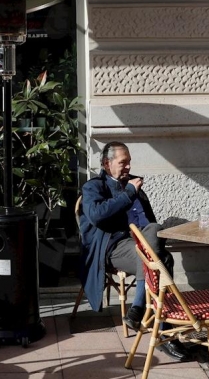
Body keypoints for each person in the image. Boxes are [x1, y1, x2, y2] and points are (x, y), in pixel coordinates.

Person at [79, 142, 189, 361]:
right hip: (112, 246)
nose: (128, 166)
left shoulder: (134, 186)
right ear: (106, 164)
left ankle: (138, 310)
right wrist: (129, 193)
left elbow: (149, 222)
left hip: (139, 243)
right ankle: (163, 330)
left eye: (129, 161)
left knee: (155, 239)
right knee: (160, 261)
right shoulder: (94, 187)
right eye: (123, 162)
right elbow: (98, 215)